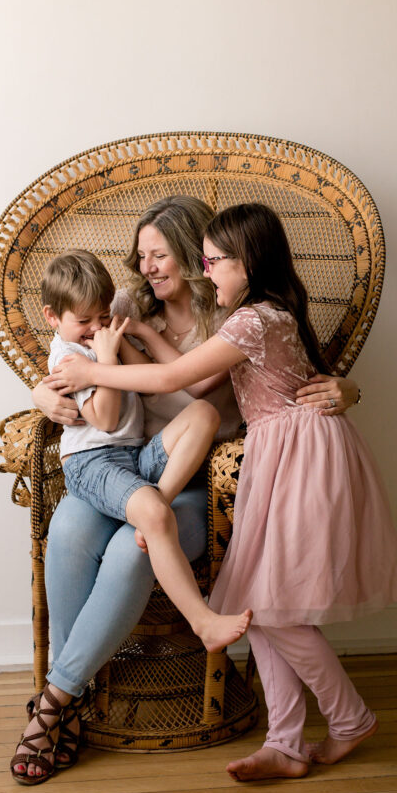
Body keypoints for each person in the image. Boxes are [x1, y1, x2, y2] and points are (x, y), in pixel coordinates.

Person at [53, 202, 397, 783]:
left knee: (273, 607)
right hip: (274, 456)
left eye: (214, 261)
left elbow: (175, 381)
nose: (206, 271)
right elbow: (191, 374)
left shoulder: (251, 320)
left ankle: (348, 718)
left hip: (294, 458)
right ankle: (287, 741)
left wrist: (94, 373)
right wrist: (94, 364)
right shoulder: (253, 317)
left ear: (247, 264)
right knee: (259, 604)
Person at [39, 250, 251, 653]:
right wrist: (103, 357)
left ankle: (156, 500)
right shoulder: (72, 354)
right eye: (83, 321)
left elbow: (158, 383)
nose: (94, 328)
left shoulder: (109, 333)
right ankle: (202, 621)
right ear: (53, 318)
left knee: (203, 413)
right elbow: (104, 417)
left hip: (133, 457)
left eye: (101, 317)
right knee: (154, 514)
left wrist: (122, 342)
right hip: (93, 463)